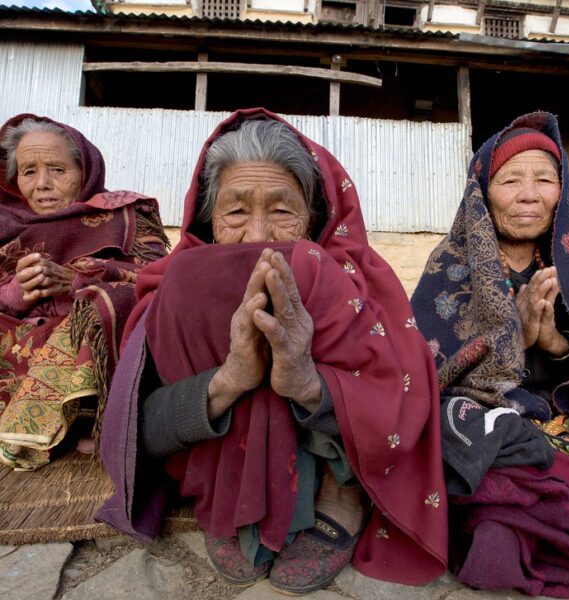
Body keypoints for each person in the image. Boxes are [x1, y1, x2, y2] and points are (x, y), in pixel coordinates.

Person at [97, 108, 448, 594]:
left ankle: (339, 488)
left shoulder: (358, 285)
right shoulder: (175, 290)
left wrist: (308, 383)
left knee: (318, 283)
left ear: (314, 218)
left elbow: (401, 408)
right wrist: (227, 380)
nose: (258, 234)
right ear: (208, 220)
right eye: (236, 212)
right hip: (215, 461)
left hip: (333, 460)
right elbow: (141, 433)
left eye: (282, 211)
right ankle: (228, 488)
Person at [411, 111, 569, 597]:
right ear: (481, 193)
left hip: (560, 409)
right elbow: (430, 368)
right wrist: (509, 336)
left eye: (544, 179)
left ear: (564, 192)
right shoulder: (449, 266)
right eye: (511, 180)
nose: (529, 195)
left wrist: (552, 343)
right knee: (457, 421)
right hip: (485, 409)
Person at [0, 114, 169, 471]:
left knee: (111, 307)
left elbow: (158, 278)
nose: (42, 184)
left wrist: (77, 283)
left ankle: (89, 415)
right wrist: (17, 293)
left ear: (85, 170)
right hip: (19, 332)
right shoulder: (5, 223)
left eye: (57, 170)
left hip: (83, 332)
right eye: (29, 171)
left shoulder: (125, 213)